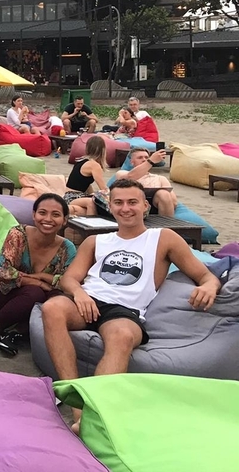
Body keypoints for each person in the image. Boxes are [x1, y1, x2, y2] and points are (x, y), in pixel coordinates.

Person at [41, 178, 221, 433]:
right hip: (89, 300)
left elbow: (205, 275)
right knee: (52, 308)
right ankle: (77, 408)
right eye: (119, 203)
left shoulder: (163, 238)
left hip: (125, 310)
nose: (125, 208)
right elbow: (69, 278)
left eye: (132, 202)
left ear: (145, 206)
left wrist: (209, 286)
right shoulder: (96, 241)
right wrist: (79, 293)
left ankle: (92, 414)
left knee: (122, 336)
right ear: (110, 207)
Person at [0, 194, 76, 356]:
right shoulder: (18, 234)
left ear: (64, 220)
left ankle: (14, 334)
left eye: (55, 214)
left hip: (37, 300)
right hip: (1, 291)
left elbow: (68, 282)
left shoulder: (68, 248)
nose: (48, 219)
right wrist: (38, 282)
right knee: (36, 293)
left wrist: (41, 276)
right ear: (34, 215)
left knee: (59, 299)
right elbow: (3, 271)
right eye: (42, 213)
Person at [115, 148, 178, 216]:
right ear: (131, 162)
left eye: (146, 158)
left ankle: (167, 222)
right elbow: (129, 177)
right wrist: (151, 161)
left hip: (155, 208)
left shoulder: (160, 178)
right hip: (130, 206)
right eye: (140, 157)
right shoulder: (122, 173)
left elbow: (173, 202)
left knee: (163, 193)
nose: (144, 160)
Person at [64, 135, 108, 216]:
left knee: (94, 198)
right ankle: (91, 223)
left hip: (68, 196)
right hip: (73, 197)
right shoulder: (94, 165)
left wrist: (92, 193)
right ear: (103, 150)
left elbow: (85, 184)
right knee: (92, 202)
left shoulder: (81, 161)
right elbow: (103, 188)